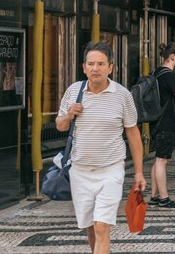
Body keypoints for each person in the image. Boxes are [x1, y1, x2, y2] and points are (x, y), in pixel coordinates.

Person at [56, 42, 145, 254]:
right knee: (90, 227)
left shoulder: (122, 95)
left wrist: (140, 172)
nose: (95, 68)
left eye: (101, 64)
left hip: (111, 169)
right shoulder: (73, 92)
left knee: (102, 226)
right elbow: (60, 125)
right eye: (91, 64)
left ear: (111, 67)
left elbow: (133, 133)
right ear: (84, 67)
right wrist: (69, 114)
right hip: (80, 171)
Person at [149, 42, 175, 209]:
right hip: (166, 122)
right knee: (162, 160)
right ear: (172, 56)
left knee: (158, 159)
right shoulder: (171, 76)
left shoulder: (156, 72)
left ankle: (154, 196)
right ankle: (164, 198)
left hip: (156, 121)